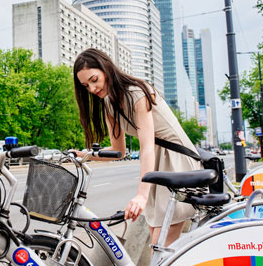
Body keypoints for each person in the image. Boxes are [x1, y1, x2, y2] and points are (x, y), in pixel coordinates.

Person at [72, 48, 202, 247]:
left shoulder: (137, 93)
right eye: (86, 85)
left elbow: (147, 146)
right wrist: (86, 155)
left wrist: (141, 195)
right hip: (156, 169)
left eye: (94, 79)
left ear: (106, 68)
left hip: (176, 161)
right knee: (157, 244)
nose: (91, 88)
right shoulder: (109, 104)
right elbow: (119, 151)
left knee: (161, 245)